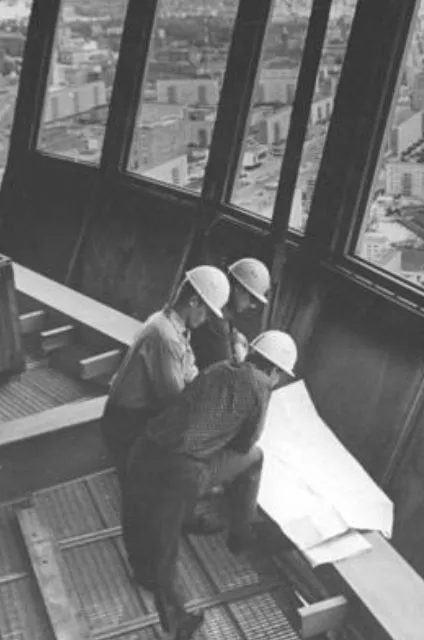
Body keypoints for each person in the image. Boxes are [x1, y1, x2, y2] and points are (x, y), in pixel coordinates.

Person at [121, 330, 298, 639]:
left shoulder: (219, 367)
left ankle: (143, 572)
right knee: (254, 458)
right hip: (176, 473)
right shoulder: (261, 386)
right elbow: (245, 443)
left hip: (143, 450)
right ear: (275, 370)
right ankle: (238, 539)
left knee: (139, 519)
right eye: (280, 376)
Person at [101, 266, 230, 482]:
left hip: (132, 415)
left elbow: (192, 374)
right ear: (194, 301)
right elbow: (174, 400)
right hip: (126, 422)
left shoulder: (170, 324)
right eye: (206, 311)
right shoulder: (166, 336)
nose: (206, 318)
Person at [192, 257, 272, 368]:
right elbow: (228, 372)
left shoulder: (219, 309)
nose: (251, 305)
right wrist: (241, 355)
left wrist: (234, 335)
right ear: (238, 289)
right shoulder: (219, 322)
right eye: (252, 299)